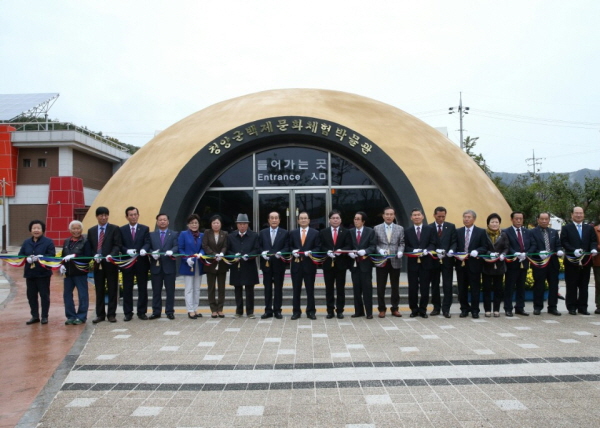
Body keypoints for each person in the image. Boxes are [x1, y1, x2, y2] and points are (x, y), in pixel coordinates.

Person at [560, 206, 598, 315]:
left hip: (586, 261)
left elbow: (593, 241)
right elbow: (564, 242)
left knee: (584, 285)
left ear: (583, 214)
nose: (578, 215)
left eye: (580, 213)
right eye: (576, 213)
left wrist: (593, 248)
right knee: (571, 285)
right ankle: (571, 307)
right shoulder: (566, 228)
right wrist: (573, 250)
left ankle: (583, 307)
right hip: (571, 261)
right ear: (572, 215)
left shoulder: (589, 228)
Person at [87, 207, 122, 324]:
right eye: (101, 215)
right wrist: (94, 255)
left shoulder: (114, 229)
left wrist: (111, 255)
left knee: (112, 289)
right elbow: (90, 247)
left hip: (110, 263)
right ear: (97, 217)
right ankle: (100, 314)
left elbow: (117, 245)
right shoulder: (91, 231)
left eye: (106, 215)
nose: (104, 217)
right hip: (98, 264)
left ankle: (111, 314)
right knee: (99, 290)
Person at [19, 220, 56, 325]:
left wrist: (41, 257)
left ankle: (44, 316)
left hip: (43, 273)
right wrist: (27, 258)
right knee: (31, 296)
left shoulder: (48, 242)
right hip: (30, 273)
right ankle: (35, 316)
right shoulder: (26, 242)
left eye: (38, 228)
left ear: (42, 230)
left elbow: (52, 255)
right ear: (30, 230)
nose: (36, 230)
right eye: (34, 228)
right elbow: (20, 255)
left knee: (44, 295)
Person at [119, 206, 151, 321]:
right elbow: (119, 244)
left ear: (138, 215)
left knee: (142, 288)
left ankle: (141, 312)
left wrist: (144, 249)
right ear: (127, 217)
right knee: (127, 288)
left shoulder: (144, 228)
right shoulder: (122, 229)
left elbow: (147, 242)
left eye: (135, 214)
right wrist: (126, 250)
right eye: (131, 215)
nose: (133, 217)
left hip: (141, 263)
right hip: (127, 262)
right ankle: (128, 313)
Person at [404, 208, 436, 318]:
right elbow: (405, 246)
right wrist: (413, 250)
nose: (416, 217)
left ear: (422, 216)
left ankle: (423, 309)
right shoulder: (407, 231)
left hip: (426, 262)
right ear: (411, 217)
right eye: (414, 215)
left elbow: (433, 243)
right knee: (412, 287)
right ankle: (414, 309)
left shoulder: (430, 229)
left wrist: (427, 250)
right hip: (413, 263)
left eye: (418, 215)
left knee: (425, 287)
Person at [319, 210, 352, 319]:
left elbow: (349, 245)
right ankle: (330, 311)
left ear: (340, 220)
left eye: (337, 218)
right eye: (333, 218)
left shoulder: (346, 232)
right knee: (329, 289)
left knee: (340, 289)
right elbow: (320, 246)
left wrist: (341, 250)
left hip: (341, 264)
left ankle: (340, 310)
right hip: (328, 264)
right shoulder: (323, 232)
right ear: (329, 220)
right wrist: (327, 251)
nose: (335, 220)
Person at [529, 212, 564, 316]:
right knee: (539, 285)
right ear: (538, 220)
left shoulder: (553, 232)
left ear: (549, 220)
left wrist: (559, 250)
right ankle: (537, 307)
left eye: (546, 219)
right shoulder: (532, 232)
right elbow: (531, 246)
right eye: (542, 219)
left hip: (553, 263)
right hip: (539, 263)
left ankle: (553, 307)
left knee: (553, 285)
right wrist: (539, 253)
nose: (544, 221)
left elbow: (558, 245)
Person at [373, 207, 405, 318]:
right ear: (383, 215)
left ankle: (395, 308)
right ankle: (382, 309)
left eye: (391, 214)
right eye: (387, 214)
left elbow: (402, 243)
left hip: (395, 260)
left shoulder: (400, 228)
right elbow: (375, 244)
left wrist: (400, 251)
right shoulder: (376, 228)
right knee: (380, 287)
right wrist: (380, 250)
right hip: (382, 261)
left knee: (395, 287)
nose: (389, 216)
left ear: (394, 216)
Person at [455, 209, 487, 318]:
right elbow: (455, 245)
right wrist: (454, 252)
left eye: (469, 217)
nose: (466, 219)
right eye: (465, 217)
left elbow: (484, 247)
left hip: (474, 264)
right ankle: (464, 309)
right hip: (461, 264)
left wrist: (477, 251)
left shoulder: (481, 232)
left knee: (475, 288)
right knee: (462, 288)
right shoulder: (458, 231)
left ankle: (475, 310)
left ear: (474, 219)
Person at [289, 211, 321, 320]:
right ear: (298, 221)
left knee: (310, 290)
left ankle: (311, 311)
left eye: (305, 218)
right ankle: (296, 311)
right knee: (296, 290)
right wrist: (293, 251)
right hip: (296, 265)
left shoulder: (315, 233)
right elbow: (289, 246)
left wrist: (311, 252)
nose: (303, 220)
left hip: (309, 265)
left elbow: (318, 247)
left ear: (309, 220)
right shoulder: (293, 233)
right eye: (301, 218)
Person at [227, 213, 260, 318]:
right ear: (237, 225)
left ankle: (250, 311)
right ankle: (239, 311)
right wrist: (233, 255)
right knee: (237, 288)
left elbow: (257, 249)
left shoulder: (254, 235)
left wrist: (249, 255)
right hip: (236, 265)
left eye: (244, 224)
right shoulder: (231, 236)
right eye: (240, 224)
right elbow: (227, 250)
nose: (242, 226)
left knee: (250, 289)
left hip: (249, 265)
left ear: (247, 225)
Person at [60, 220, 92, 325]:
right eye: (73, 228)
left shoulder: (85, 241)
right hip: (68, 273)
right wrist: (61, 265)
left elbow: (88, 257)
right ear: (70, 230)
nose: (76, 230)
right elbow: (63, 256)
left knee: (82, 295)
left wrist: (75, 256)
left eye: (78, 228)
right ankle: (70, 316)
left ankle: (81, 317)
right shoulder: (66, 241)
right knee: (67, 295)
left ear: (81, 230)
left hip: (80, 272)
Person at [259, 211, 289, 319]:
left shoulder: (285, 233)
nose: (274, 220)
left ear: (279, 220)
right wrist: (262, 252)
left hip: (279, 264)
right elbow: (259, 246)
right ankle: (268, 310)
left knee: (278, 288)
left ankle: (277, 310)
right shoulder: (262, 232)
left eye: (276, 218)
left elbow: (287, 247)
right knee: (267, 288)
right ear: (268, 220)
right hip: (266, 264)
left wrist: (281, 252)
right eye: (272, 218)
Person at [148, 213, 179, 320]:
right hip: (156, 266)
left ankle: (169, 311)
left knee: (170, 291)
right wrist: (152, 253)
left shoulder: (174, 234)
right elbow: (148, 247)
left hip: (169, 266)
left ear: (168, 222)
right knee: (156, 291)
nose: (162, 222)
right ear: (157, 222)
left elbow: (176, 246)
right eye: (160, 220)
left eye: (164, 220)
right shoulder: (151, 235)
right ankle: (156, 311)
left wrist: (172, 251)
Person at [428, 206, 457, 318]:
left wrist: (451, 250)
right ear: (434, 215)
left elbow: (454, 241)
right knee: (435, 285)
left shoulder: (451, 226)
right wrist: (434, 251)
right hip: (434, 260)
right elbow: (428, 242)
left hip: (447, 260)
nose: (441, 219)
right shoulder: (429, 227)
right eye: (439, 216)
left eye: (443, 217)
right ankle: (436, 307)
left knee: (447, 285)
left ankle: (446, 309)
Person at [503, 211, 533, 317]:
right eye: (516, 218)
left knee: (521, 286)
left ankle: (520, 307)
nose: (519, 221)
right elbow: (506, 245)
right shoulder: (506, 231)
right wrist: (514, 253)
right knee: (510, 286)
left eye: (521, 218)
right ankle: (508, 308)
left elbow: (533, 244)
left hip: (524, 262)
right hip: (512, 263)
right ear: (512, 219)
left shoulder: (527, 232)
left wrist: (526, 253)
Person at [348, 211, 377, 319]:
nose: (356, 221)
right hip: (354, 265)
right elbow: (348, 245)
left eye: (358, 219)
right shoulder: (350, 232)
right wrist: (349, 252)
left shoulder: (370, 231)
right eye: (355, 219)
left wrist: (365, 251)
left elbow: (373, 246)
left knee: (367, 289)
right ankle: (358, 311)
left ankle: (369, 312)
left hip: (365, 264)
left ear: (363, 221)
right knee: (356, 289)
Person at [481, 213, 509, 318]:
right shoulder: (484, 234)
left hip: (499, 265)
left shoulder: (503, 234)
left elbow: (506, 247)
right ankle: (487, 310)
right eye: (492, 222)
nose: (494, 224)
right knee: (487, 288)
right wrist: (489, 253)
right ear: (488, 223)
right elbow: (482, 247)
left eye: (496, 222)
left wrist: (503, 254)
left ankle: (496, 309)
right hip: (487, 265)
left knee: (498, 289)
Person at [179, 214, 205, 319]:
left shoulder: (202, 235)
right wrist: (186, 259)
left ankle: (195, 308)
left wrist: (201, 253)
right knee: (189, 288)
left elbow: (203, 247)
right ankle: (190, 310)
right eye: (192, 223)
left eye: (196, 223)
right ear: (188, 224)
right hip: (188, 264)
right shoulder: (183, 234)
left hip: (198, 263)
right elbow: (180, 249)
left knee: (197, 288)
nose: (194, 225)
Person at [202, 214, 228, 318]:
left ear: (220, 224)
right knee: (211, 288)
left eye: (217, 223)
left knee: (221, 288)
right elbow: (205, 246)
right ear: (211, 224)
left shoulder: (224, 234)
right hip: (210, 264)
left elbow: (225, 246)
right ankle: (213, 309)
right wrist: (213, 254)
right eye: (214, 223)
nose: (216, 225)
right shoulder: (207, 233)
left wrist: (222, 253)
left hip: (221, 264)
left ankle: (220, 309)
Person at [593, 219, 600, 314]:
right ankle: (599, 305)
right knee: (599, 284)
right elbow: (593, 243)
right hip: (598, 261)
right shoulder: (595, 230)